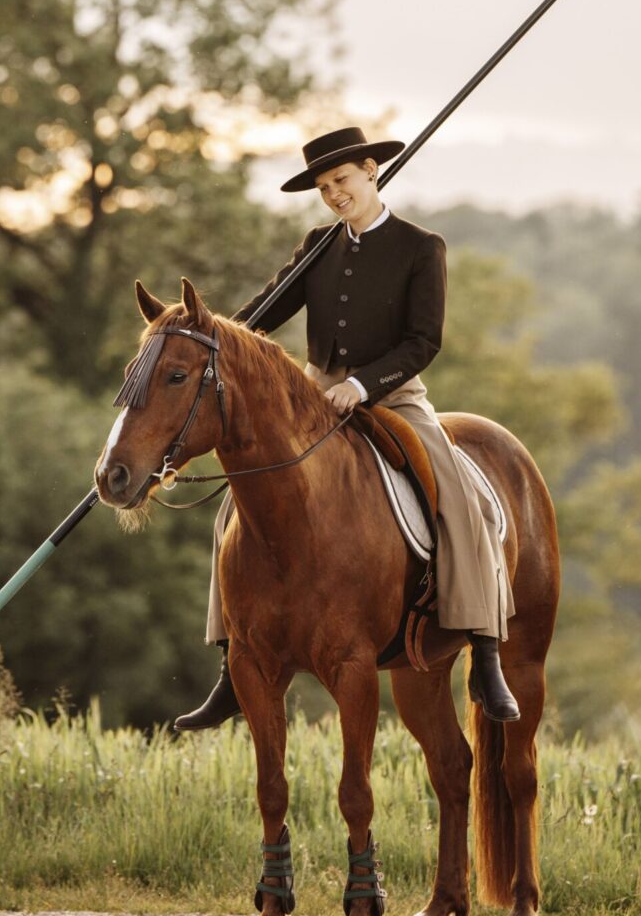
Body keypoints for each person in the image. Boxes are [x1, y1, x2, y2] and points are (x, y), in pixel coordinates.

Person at [173, 126, 519, 731]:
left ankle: (485, 651)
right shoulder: (317, 245)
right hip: (311, 395)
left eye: (342, 180)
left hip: (393, 396)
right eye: (324, 187)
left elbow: (423, 342)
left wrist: (361, 386)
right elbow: (260, 315)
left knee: (461, 496)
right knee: (235, 505)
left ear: (371, 172)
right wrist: (207, 336)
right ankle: (232, 665)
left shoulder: (421, 247)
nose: (335, 194)